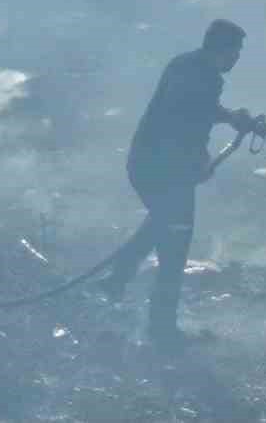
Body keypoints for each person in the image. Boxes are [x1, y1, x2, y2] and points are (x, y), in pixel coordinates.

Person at [97, 19, 257, 350]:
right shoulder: (202, 77)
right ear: (221, 49)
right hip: (162, 171)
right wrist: (198, 160)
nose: (237, 59)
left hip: (149, 166)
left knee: (160, 226)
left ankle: (114, 282)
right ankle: (161, 329)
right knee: (174, 246)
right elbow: (186, 120)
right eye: (235, 51)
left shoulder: (188, 66)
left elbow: (196, 109)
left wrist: (229, 118)